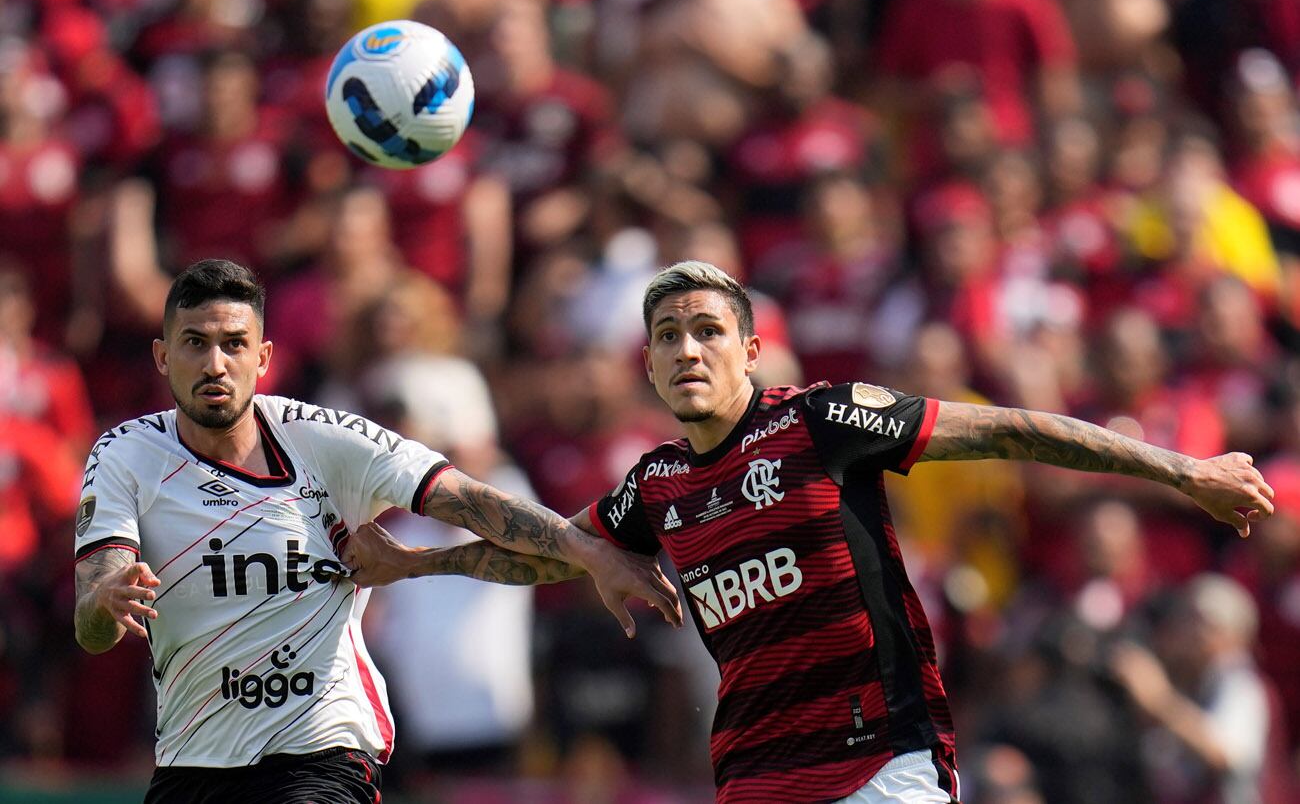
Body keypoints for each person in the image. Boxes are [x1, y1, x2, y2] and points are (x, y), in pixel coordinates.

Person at [345, 260, 1274, 803]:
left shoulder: (824, 420)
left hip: (882, 760)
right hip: (755, 772)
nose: (686, 348)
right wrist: (414, 564)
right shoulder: (657, 485)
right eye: (666, 335)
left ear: (751, 349)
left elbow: (1007, 426)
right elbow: (547, 550)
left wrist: (1181, 470)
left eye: (707, 329)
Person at [72, 259, 681, 803]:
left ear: (263, 357)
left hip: (321, 755)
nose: (215, 364)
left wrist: (589, 550)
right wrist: (104, 601)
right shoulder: (126, 455)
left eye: (235, 344)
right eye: (195, 344)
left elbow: (472, 501)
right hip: (192, 760)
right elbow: (94, 618)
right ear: (161, 356)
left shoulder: (326, 439)